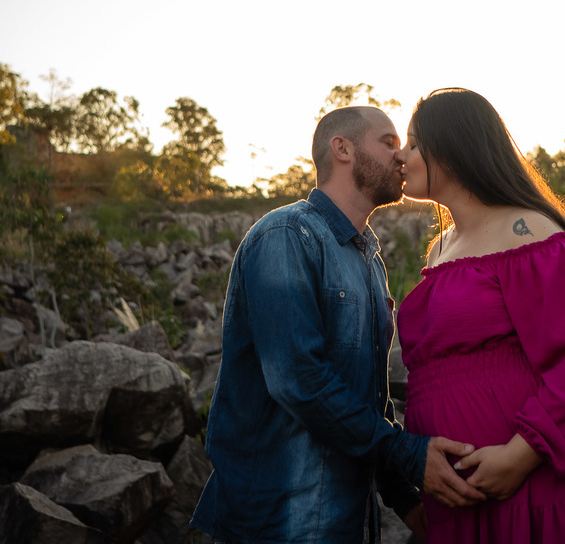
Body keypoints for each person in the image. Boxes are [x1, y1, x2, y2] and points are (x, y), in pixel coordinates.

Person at [191, 105, 486, 544]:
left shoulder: (368, 261)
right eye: (388, 143)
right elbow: (299, 380)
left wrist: (404, 498)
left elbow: (370, 398)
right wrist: (408, 454)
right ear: (342, 148)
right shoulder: (287, 235)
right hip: (278, 519)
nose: (402, 155)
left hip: (347, 518)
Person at [394, 89, 565, 543]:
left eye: (414, 143)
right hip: (469, 501)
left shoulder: (529, 230)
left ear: (454, 150)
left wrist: (520, 455)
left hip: (542, 489)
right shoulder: (441, 248)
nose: (402, 156)